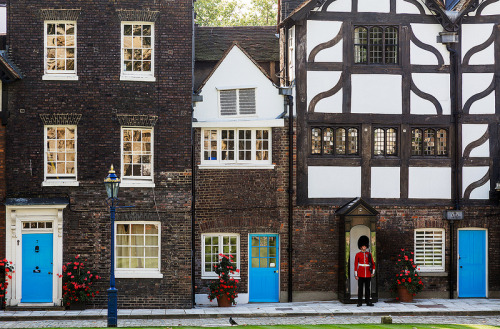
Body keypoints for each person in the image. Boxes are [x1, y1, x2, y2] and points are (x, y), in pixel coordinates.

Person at [354, 242, 375, 307]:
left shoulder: (369, 254)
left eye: (365, 246)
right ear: (361, 247)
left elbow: (373, 263)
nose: (364, 247)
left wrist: (372, 272)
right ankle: (359, 302)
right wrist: (356, 274)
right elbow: (355, 265)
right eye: (363, 246)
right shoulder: (358, 254)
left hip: (368, 273)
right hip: (360, 273)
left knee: (367, 288)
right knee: (360, 289)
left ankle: (368, 301)